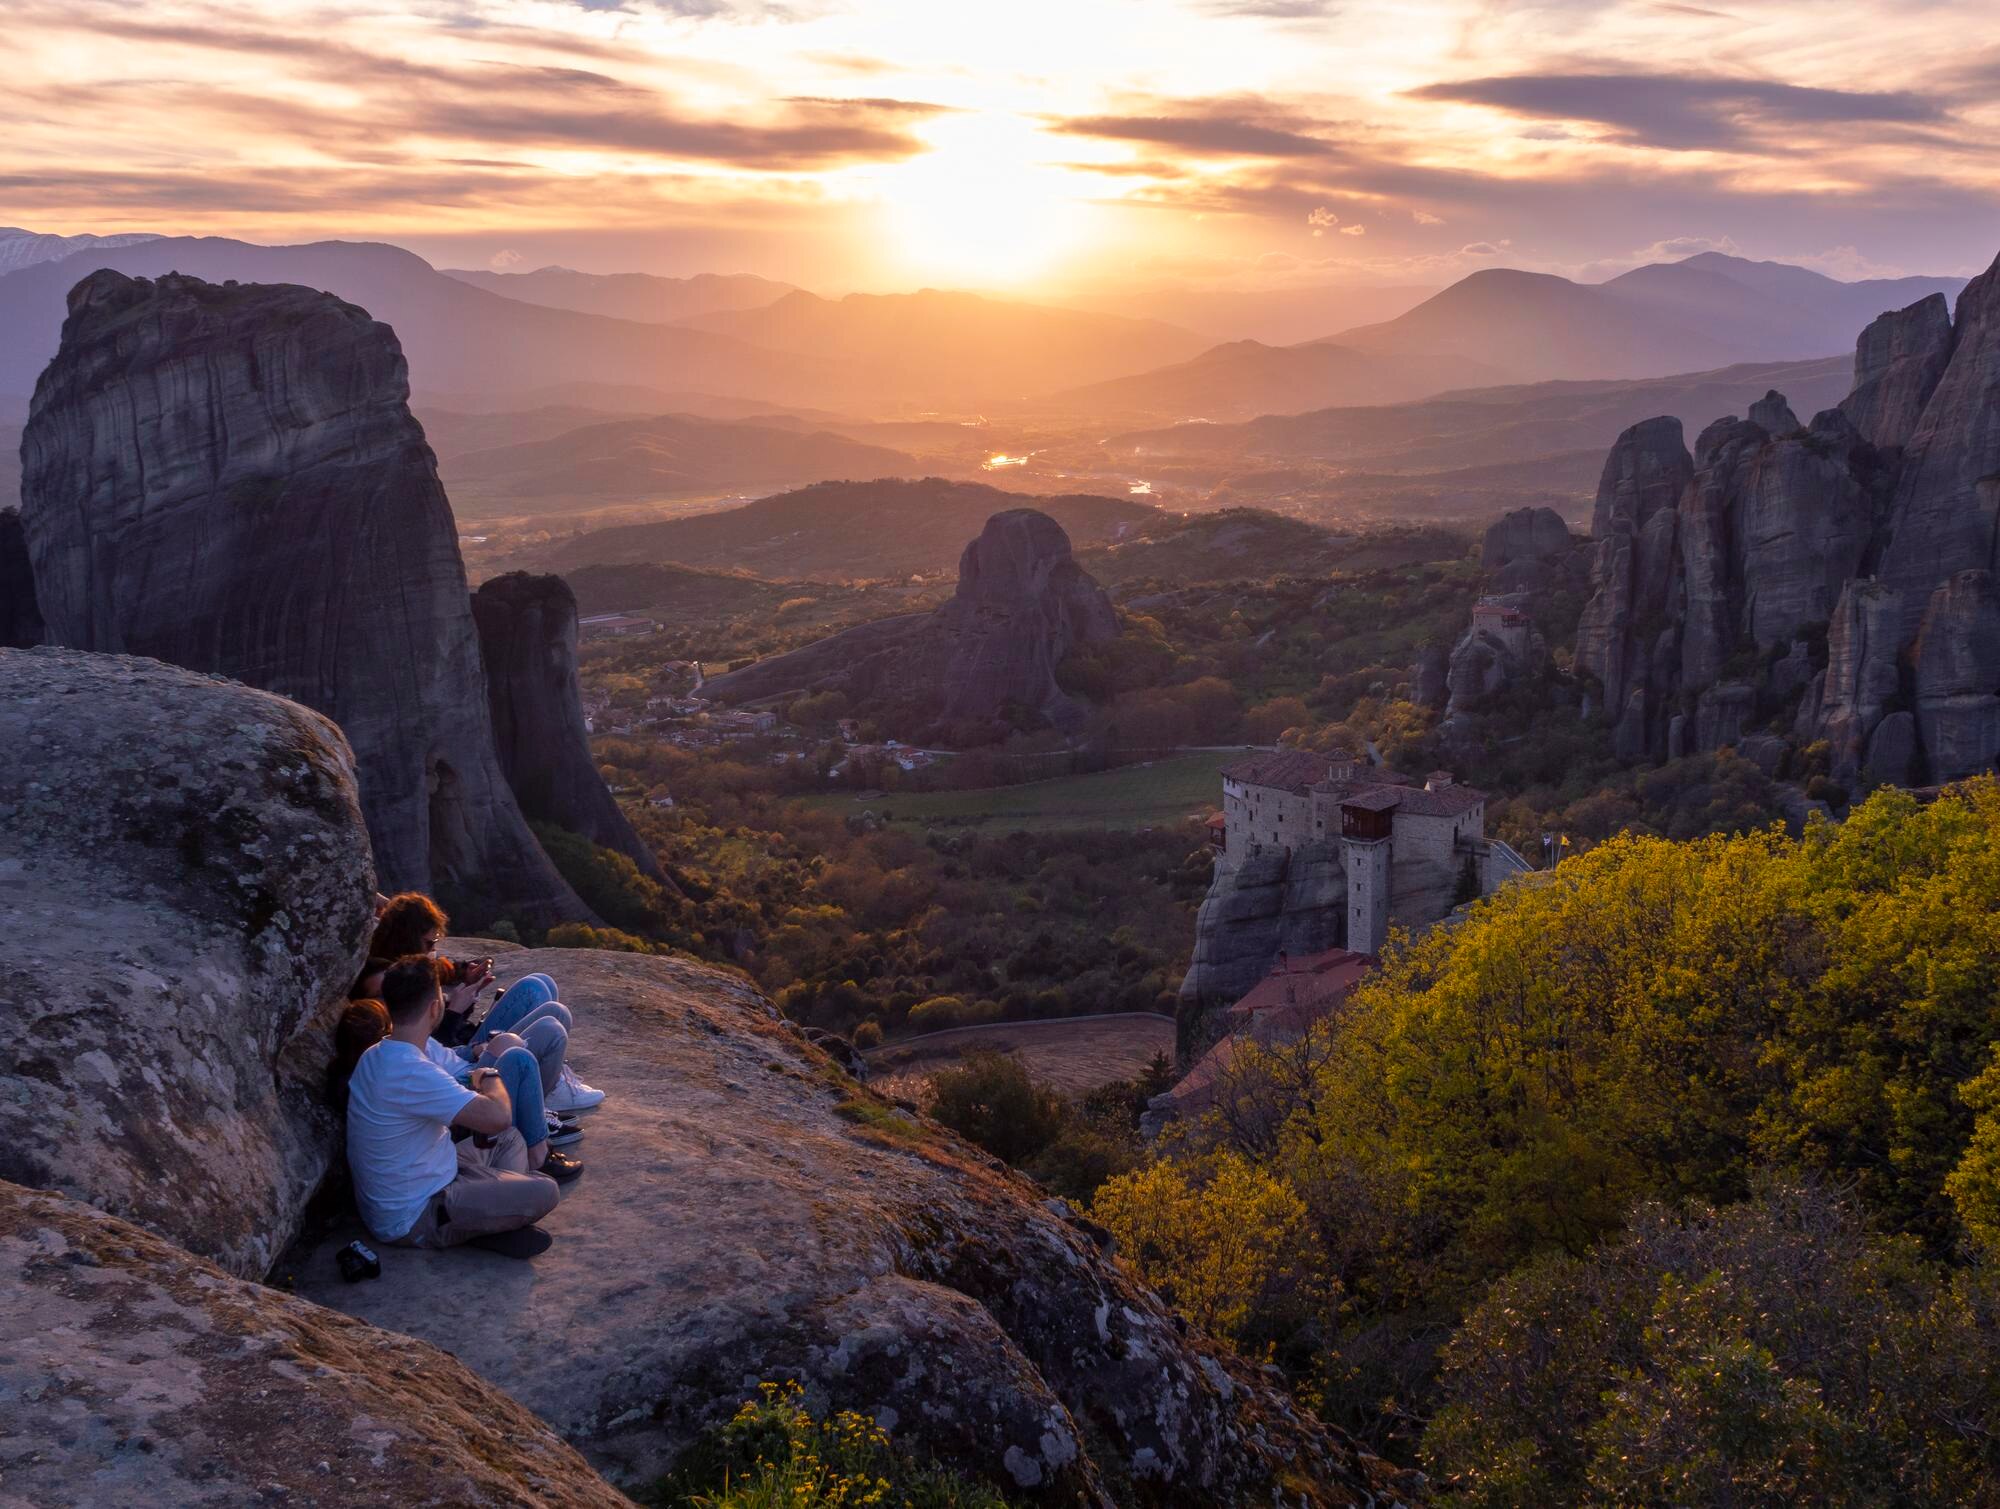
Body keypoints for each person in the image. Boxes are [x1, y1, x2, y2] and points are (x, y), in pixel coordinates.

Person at [346, 959, 563, 1251]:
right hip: (414, 1215)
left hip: (432, 1171)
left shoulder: (377, 1054)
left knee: (510, 1139)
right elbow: (497, 1116)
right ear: (435, 1007)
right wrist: (490, 1075)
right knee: (545, 1190)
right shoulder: (411, 1070)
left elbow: (500, 1129)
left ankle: (493, 1216)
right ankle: (487, 1221)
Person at [369, 892, 608, 1113]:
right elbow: (423, 1045)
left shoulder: (406, 968)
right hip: (462, 1060)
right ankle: (546, 1091)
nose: (434, 949)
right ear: (407, 940)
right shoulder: (386, 982)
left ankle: (552, 1078)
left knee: (541, 983)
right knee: (546, 1010)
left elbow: (438, 976)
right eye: (430, 943)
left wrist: (465, 978)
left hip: (461, 1048)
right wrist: (454, 1011)